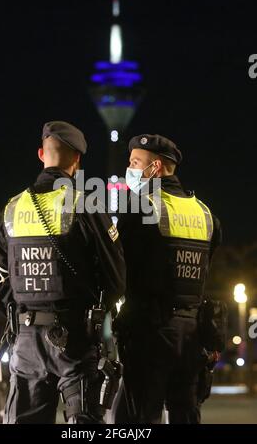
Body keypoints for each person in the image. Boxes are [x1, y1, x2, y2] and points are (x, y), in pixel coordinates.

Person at [0, 121, 126, 424]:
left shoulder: (11, 209)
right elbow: (116, 276)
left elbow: (2, 280)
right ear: (77, 161)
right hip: (76, 338)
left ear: (41, 154)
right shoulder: (86, 205)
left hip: (25, 337)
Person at [115, 133, 222, 424]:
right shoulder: (204, 213)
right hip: (191, 335)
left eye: (136, 162)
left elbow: (119, 269)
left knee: (137, 419)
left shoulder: (139, 208)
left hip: (150, 333)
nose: (131, 169)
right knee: (185, 413)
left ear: (156, 168)